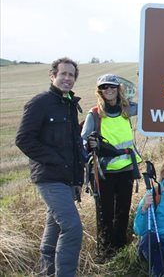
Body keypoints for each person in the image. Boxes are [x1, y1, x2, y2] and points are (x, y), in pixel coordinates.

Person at [15, 57, 85, 276]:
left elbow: (73, 145)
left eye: (71, 75)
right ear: (52, 75)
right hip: (49, 176)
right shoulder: (40, 103)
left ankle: (47, 272)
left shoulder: (69, 105)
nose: (67, 78)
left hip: (66, 178)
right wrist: (54, 159)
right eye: (63, 74)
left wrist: (77, 178)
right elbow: (24, 139)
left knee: (54, 226)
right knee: (72, 227)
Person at [81, 74, 142, 262]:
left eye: (112, 87)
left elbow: (147, 105)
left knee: (123, 210)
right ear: (100, 91)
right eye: (104, 87)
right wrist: (89, 145)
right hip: (103, 171)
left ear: (118, 89)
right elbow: (83, 141)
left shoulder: (126, 110)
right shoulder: (95, 114)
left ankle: (120, 247)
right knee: (105, 212)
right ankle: (106, 250)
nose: (108, 90)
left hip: (125, 170)